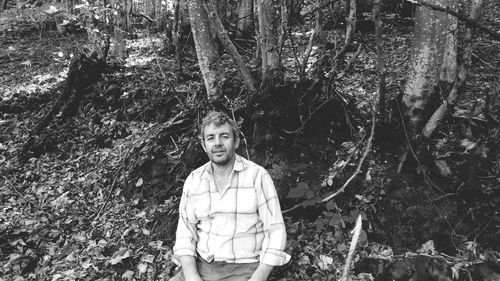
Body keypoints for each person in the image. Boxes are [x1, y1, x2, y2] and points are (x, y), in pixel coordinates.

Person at [170, 111, 290, 281]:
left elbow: (275, 231)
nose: (217, 143)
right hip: (202, 266)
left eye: (224, 136)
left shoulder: (257, 176)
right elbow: (185, 234)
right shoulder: (194, 180)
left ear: (236, 142)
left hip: (244, 269)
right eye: (211, 138)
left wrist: (258, 278)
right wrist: (191, 276)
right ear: (204, 145)